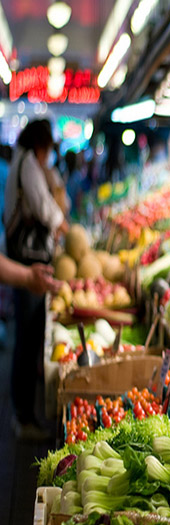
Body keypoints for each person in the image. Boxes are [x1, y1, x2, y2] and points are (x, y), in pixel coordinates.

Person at [4, 119, 68, 440]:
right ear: (41, 144)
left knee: (28, 339)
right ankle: (23, 416)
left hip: (23, 260)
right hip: (27, 259)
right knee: (28, 340)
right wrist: (62, 223)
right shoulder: (28, 162)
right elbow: (44, 207)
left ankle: (23, 413)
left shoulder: (22, 161)